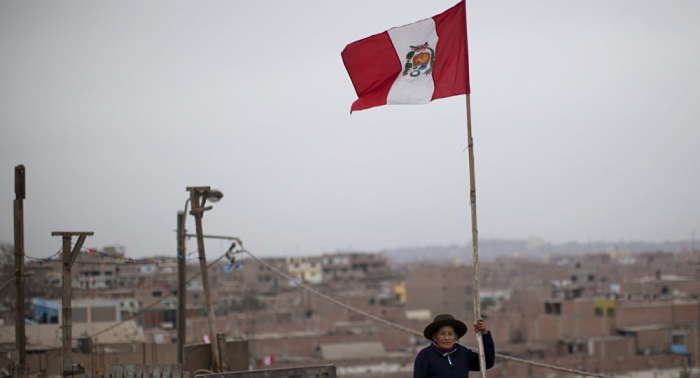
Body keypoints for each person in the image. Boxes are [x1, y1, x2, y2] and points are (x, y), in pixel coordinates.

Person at [413, 314, 495, 378]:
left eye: (450, 334)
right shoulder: (425, 355)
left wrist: (485, 334)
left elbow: (487, 362)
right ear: (435, 337)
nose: (447, 338)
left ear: (456, 337)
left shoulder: (463, 353)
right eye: (442, 334)